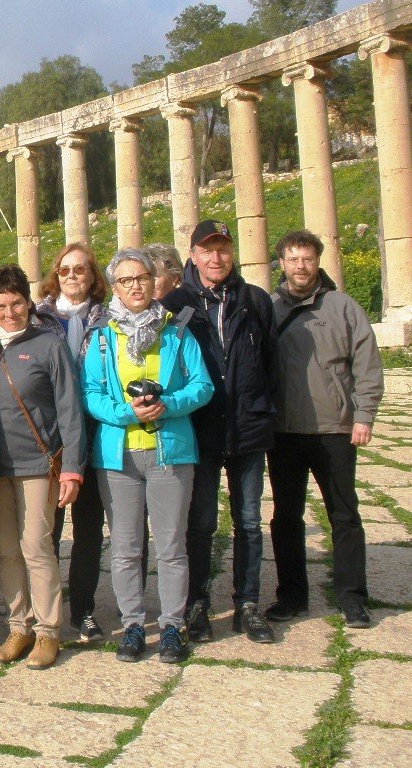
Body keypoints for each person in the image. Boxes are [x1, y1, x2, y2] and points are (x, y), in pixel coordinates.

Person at [82, 249, 215, 664]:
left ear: (154, 281)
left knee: (172, 546)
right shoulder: (103, 337)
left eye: (141, 277)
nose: (135, 285)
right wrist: (126, 412)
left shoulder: (177, 333)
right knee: (125, 547)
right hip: (118, 456)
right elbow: (91, 394)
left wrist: (167, 403)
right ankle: (134, 623)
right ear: (115, 287)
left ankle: (173, 625)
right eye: (125, 280)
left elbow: (203, 385)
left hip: (169, 452)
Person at [162, 220, 279, 645]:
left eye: (223, 249)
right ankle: (196, 603)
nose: (216, 258)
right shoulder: (175, 304)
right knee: (201, 522)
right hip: (202, 429)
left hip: (248, 426)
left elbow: (272, 364)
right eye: (207, 250)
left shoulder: (255, 300)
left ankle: (248, 603)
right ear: (192, 255)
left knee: (249, 521)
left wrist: (269, 413)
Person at [0, 266, 85, 671]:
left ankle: (49, 631)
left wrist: (72, 467)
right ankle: (19, 626)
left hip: (38, 463)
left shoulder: (49, 345)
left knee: (36, 544)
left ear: (28, 301)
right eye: (0, 305)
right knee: (5, 551)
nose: (9, 312)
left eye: (16, 302)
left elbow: (70, 409)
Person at [267, 230, 383, 629]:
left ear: (318, 262)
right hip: (283, 431)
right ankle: (292, 596)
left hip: (335, 429)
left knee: (344, 514)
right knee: (286, 517)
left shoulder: (344, 307)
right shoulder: (270, 310)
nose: (301, 266)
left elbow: (366, 366)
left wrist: (364, 415)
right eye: (293, 258)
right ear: (281, 263)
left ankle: (352, 597)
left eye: (308, 259)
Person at [29, 243, 108, 642]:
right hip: (52, 439)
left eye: (81, 269)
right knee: (49, 528)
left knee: (90, 527)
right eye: (65, 270)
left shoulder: (109, 319)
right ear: (54, 276)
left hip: (98, 433)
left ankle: (85, 608)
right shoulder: (37, 319)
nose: (73, 276)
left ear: (93, 276)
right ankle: (46, 608)